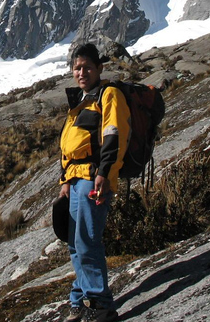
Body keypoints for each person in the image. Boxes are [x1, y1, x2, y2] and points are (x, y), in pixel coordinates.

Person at [59, 43, 130, 322]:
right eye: (77, 67)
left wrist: (105, 173)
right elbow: (69, 146)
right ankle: (80, 298)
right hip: (76, 180)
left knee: (87, 239)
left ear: (99, 68)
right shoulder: (81, 100)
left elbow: (113, 134)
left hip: (93, 179)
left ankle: (101, 306)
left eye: (87, 66)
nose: (81, 72)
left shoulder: (107, 94)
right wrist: (65, 179)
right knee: (75, 243)